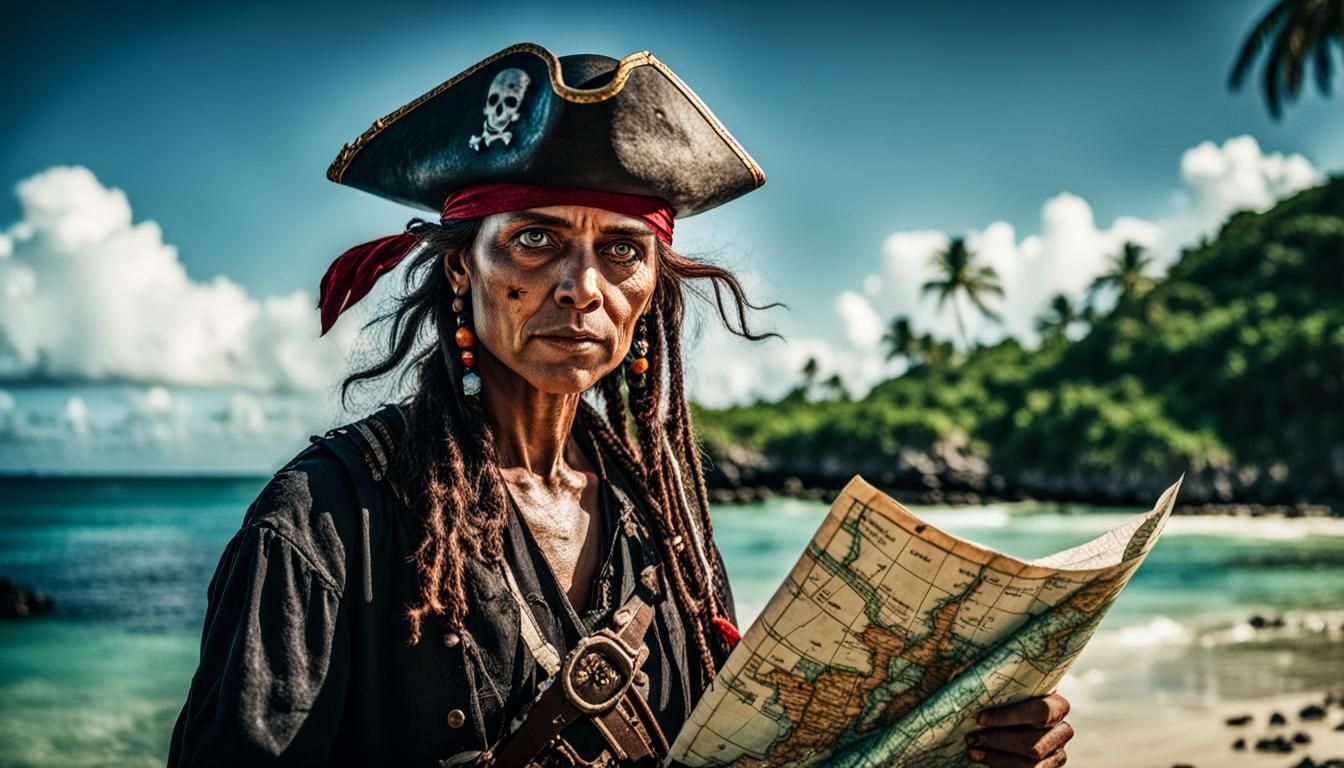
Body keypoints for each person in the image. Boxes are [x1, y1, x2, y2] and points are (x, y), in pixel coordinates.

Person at [168, 43, 1074, 767]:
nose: (579, 286)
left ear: (651, 292)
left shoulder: (663, 523)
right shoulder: (324, 519)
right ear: (460, 268)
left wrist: (961, 746)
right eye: (534, 240)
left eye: (621, 253)